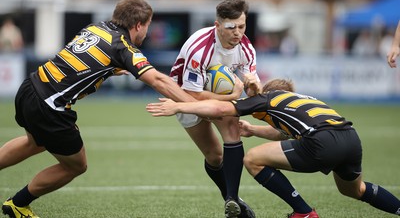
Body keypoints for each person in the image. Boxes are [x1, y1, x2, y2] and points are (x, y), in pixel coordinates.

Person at [0, 0, 196, 218]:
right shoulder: (122, 48)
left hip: (30, 86)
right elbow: (159, 81)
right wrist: (196, 106)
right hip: (50, 106)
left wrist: (113, 69)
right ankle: (18, 203)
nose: (147, 32)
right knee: (76, 166)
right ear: (139, 24)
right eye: (148, 26)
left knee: (35, 142)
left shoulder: (97, 28)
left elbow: (87, 62)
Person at [146, 78, 400, 217]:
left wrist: (179, 106)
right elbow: (285, 131)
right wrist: (254, 130)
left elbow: (221, 109)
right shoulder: (303, 99)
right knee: (356, 190)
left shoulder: (267, 98)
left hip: (322, 142)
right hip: (350, 139)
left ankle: (304, 213)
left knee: (253, 159)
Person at [169, 0, 261, 217]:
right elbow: (193, 93)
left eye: (242, 26)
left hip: (221, 96)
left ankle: (233, 200)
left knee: (231, 132)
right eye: (231, 27)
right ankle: (230, 196)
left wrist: (253, 86)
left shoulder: (246, 48)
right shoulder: (200, 48)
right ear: (217, 25)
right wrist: (231, 95)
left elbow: (252, 91)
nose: (238, 32)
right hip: (184, 95)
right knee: (214, 156)